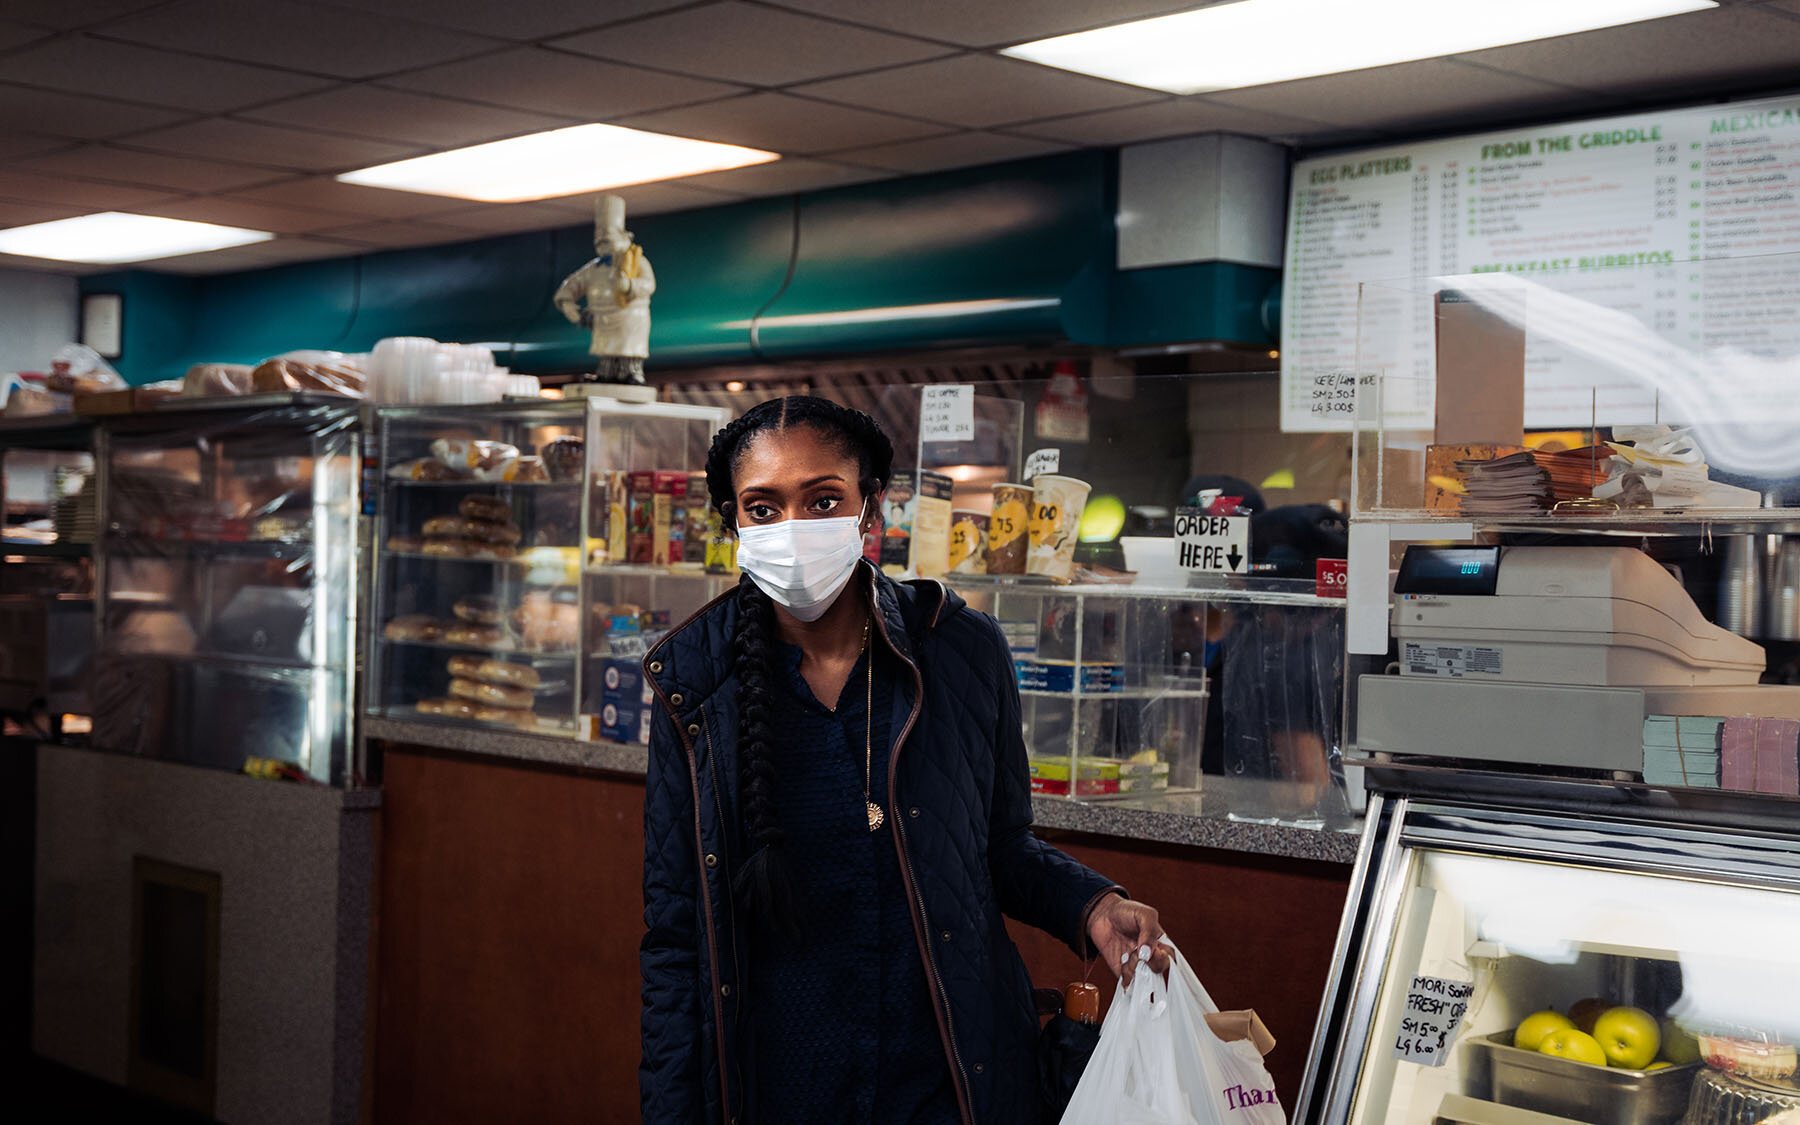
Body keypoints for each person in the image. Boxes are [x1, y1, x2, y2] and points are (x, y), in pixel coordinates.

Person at [640, 396, 1169, 1125]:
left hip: (945, 1080)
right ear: (733, 523)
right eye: (762, 508)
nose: (792, 530)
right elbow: (675, 936)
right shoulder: (694, 684)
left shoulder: (960, 650)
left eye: (823, 499)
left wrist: (1095, 906)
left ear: (870, 511)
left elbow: (1002, 846)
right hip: (779, 1087)